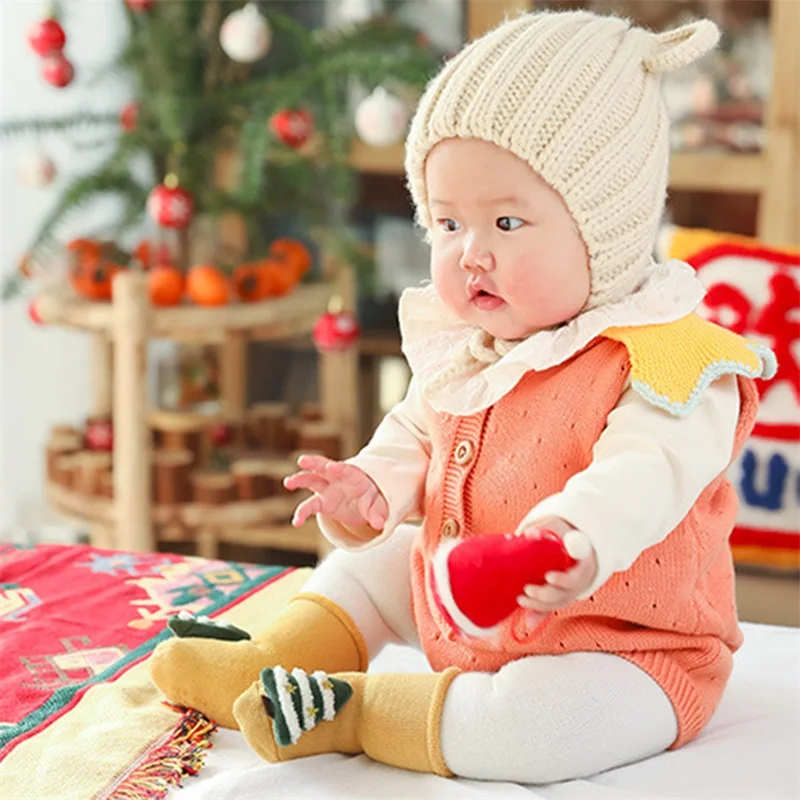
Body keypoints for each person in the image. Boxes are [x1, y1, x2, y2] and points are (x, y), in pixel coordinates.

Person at [150, 8, 776, 783]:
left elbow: (649, 470)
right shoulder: (476, 343)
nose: (470, 254)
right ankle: (278, 658)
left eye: (506, 221)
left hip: (621, 643)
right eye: (445, 222)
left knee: (536, 732)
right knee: (381, 562)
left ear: (604, 230)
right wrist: (373, 485)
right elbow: (420, 427)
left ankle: (353, 711)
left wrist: (566, 542)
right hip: (470, 605)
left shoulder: (672, 354)